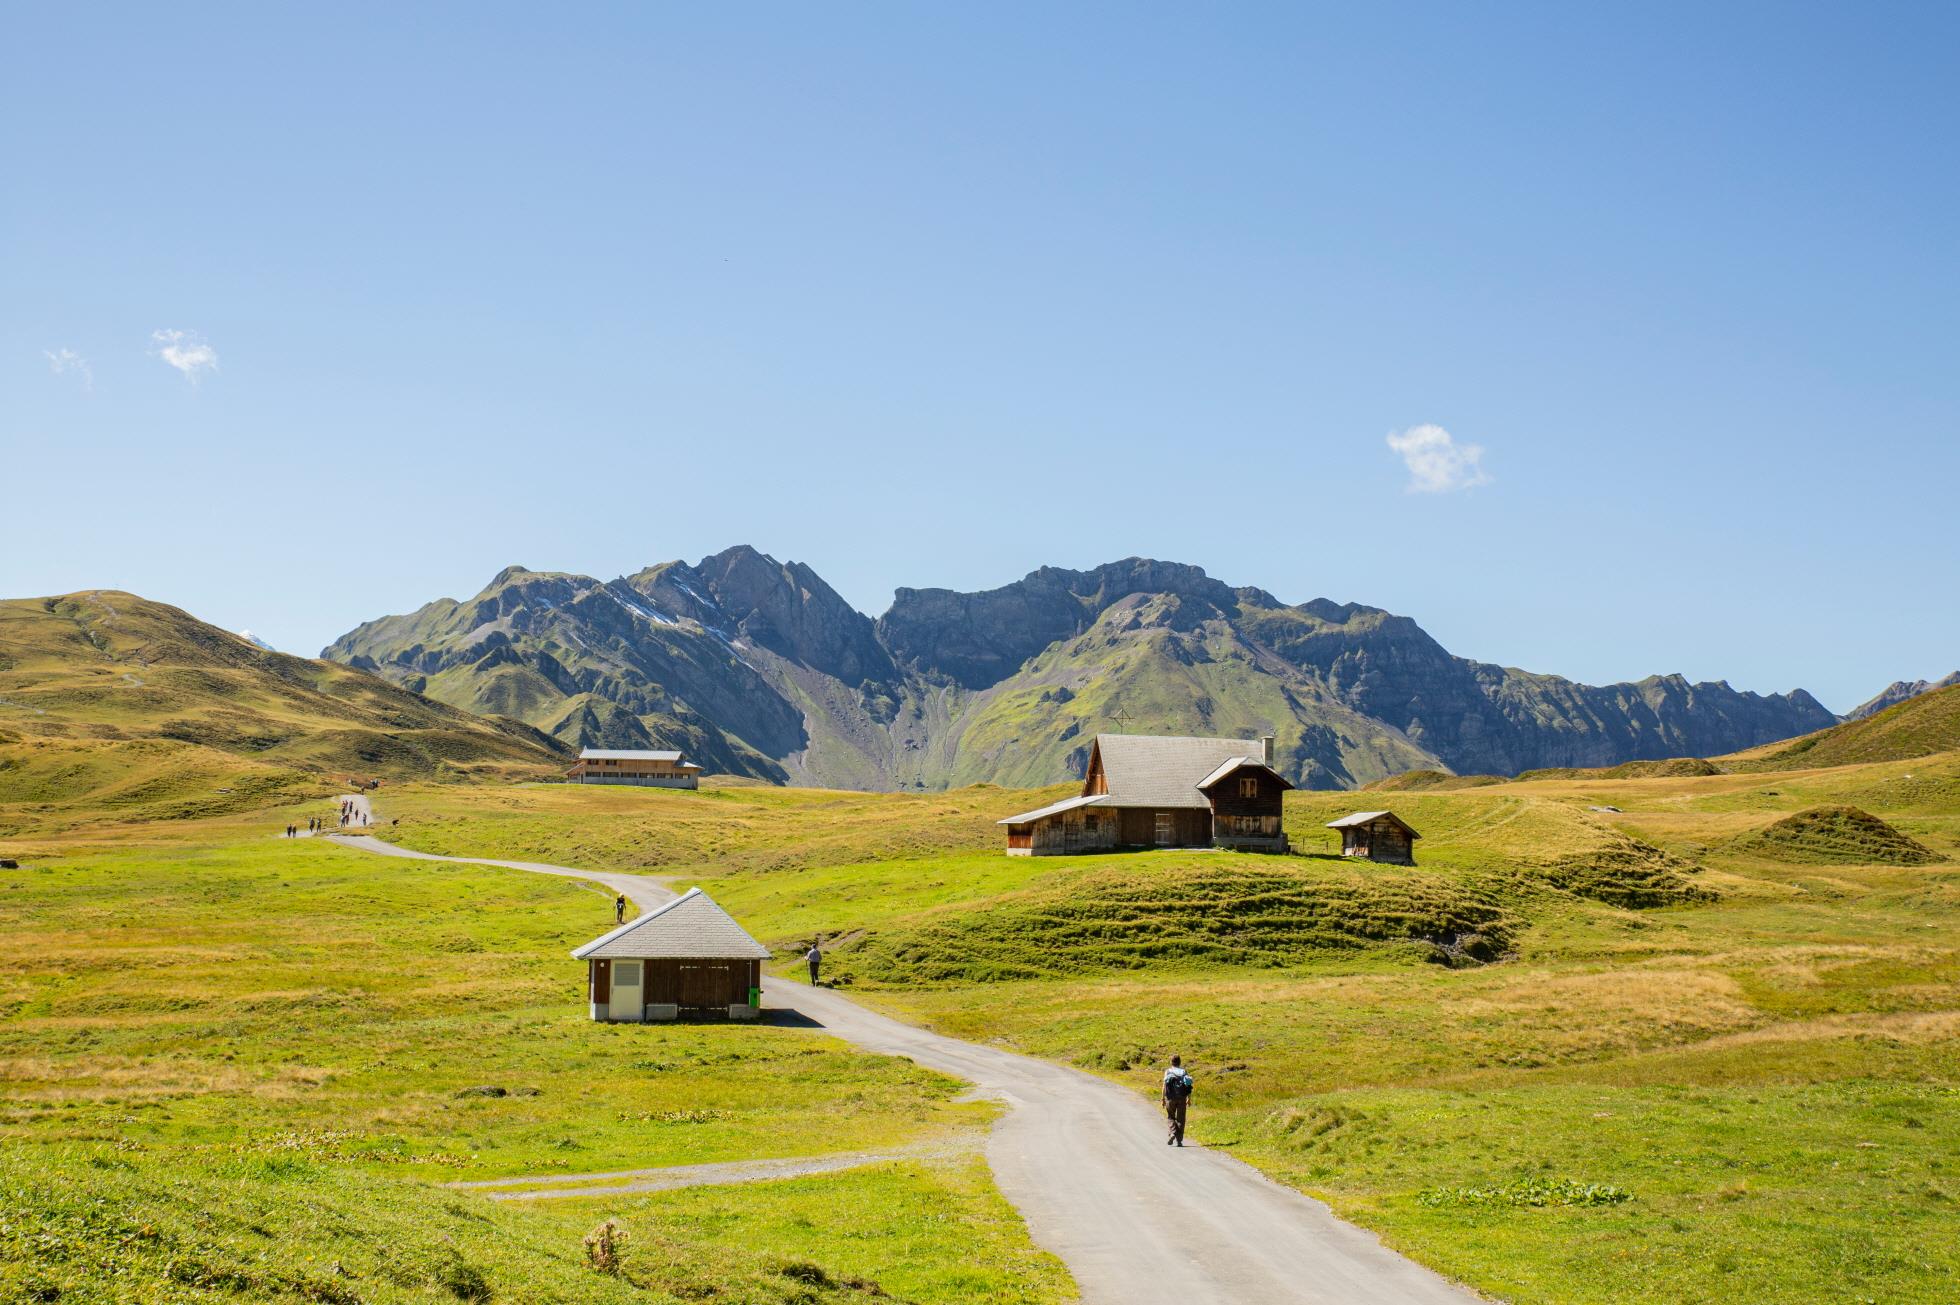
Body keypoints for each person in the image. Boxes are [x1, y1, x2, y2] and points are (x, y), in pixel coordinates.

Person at [1162, 1055, 1193, 1147]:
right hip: (1182, 1098)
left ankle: (1172, 1133)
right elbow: (1188, 1085)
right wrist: (1189, 1098)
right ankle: (1179, 1141)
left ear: (1171, 1062)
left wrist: (1163, 1098)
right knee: (1181, 1119)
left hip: (1170, 1098)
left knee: (1171, 1117)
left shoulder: (1168, 1071)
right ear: (1180, 1062)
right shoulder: (1184, 1071)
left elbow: (1164, 1086)